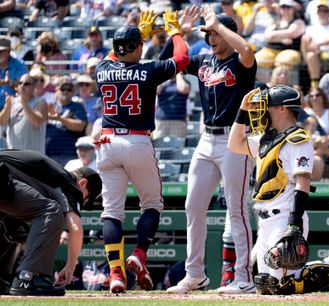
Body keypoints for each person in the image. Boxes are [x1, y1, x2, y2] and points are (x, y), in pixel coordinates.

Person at [227, 85, 329, 296]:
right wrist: (242, 111)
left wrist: (294, 224)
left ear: (282, 109)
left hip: (285, 218)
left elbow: (303, 182)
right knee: (265, 286)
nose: (263, 111)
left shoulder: (298, 139)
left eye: (268, 106)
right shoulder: (266, 138)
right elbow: (234, 144)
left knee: (282, 286)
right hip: (264, 219)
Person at [93, 8, 193, 293]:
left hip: (108, 143)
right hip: (137, 141)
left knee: (112, 213)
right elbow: (182, 59)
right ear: (137, 47)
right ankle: (138, 254)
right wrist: (175, 31)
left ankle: (115, 273)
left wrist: (141, 34)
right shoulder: (148, 70)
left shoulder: (102, 69)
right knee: (152, 205)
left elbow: (117, 56)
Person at [161, 6, 257, 295]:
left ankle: (244, 278)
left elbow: (249, 50)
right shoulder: (203, 59)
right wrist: (180, 33)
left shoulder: (241, 63)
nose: (211, 38)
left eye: (215, 33)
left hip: (235, 140)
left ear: (228, 34)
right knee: (193, 205)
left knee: (237, 209)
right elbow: (169, 59)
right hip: (206, 140)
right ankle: (195, 275)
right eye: (209, 34)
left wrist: (220, 25)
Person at [0, 150, 101, 296]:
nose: (83, 202)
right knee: (52, 211)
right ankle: (30, 278)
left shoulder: (50, 174)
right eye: (87, 198)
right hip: (3, 178)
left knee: (15, 226)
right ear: (83, 183)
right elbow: (76, 228)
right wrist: (70, 267)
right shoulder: (68, 182)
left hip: (4, 179)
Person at [45, 76, 87, 167]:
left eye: (69, 89)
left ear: (73, 92)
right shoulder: (50, 105)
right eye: (63, 88)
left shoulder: (77, 106)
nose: (65, 92)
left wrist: (60, 119)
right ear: (57, 90)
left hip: (68, 154)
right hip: (49, 153)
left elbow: (80, 126)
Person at [0, 73, 47, 153]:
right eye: (20, 83)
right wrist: (7, 107)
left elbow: (36, 122)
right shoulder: (12, 102)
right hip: (14, 156)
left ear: (34, 86)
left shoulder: (40, 102)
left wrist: (24, 103)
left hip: (33, 156)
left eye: (26, 84)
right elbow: (2, 122)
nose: (22, 86)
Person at [254, 0, 305, 73]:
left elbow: (292, 33)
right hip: (270, 49)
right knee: (257, 60)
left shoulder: (299, 21)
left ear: (293, 9)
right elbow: (268, 36)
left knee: (283, 61)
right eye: (283, 7)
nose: (285, 9)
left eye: (288, 7)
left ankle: (278, 84)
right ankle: (269, 84)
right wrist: (282, 39)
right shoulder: (275, 22)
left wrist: (274, 36)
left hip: (290, 50)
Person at [301, 0, 329, 88]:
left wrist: (318, 44)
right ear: (317, 13)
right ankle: (315, 84)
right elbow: (307, 43)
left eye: (325, 11)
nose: (322, 13)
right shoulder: (311, 28)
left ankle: (315, 85)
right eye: (320, 11)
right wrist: (315, 46)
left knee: (313, 55)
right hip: (313, 54)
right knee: (310, 53)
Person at [304, 87, 329, 181]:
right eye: (311, 96)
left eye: (317, 95)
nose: (314, 98)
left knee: (317, 160)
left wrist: (325, 139)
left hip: (326, 149)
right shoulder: (306, 113)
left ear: (323, 97)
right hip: (309, 147)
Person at [154, 73, 191, 139]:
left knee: (178, 145)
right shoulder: (162, 83)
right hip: (161, 120)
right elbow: (156, 91)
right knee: (159, 145)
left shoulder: (185, 82)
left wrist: (178, 74)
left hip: (178, 121)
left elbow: (183, 89)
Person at [0, 35, 27, 111]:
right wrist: (4, 82)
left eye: (1, 51)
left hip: (13, 109)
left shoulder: (19, 65)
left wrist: (10, 83)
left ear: (8, 51)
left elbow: (24, 86)